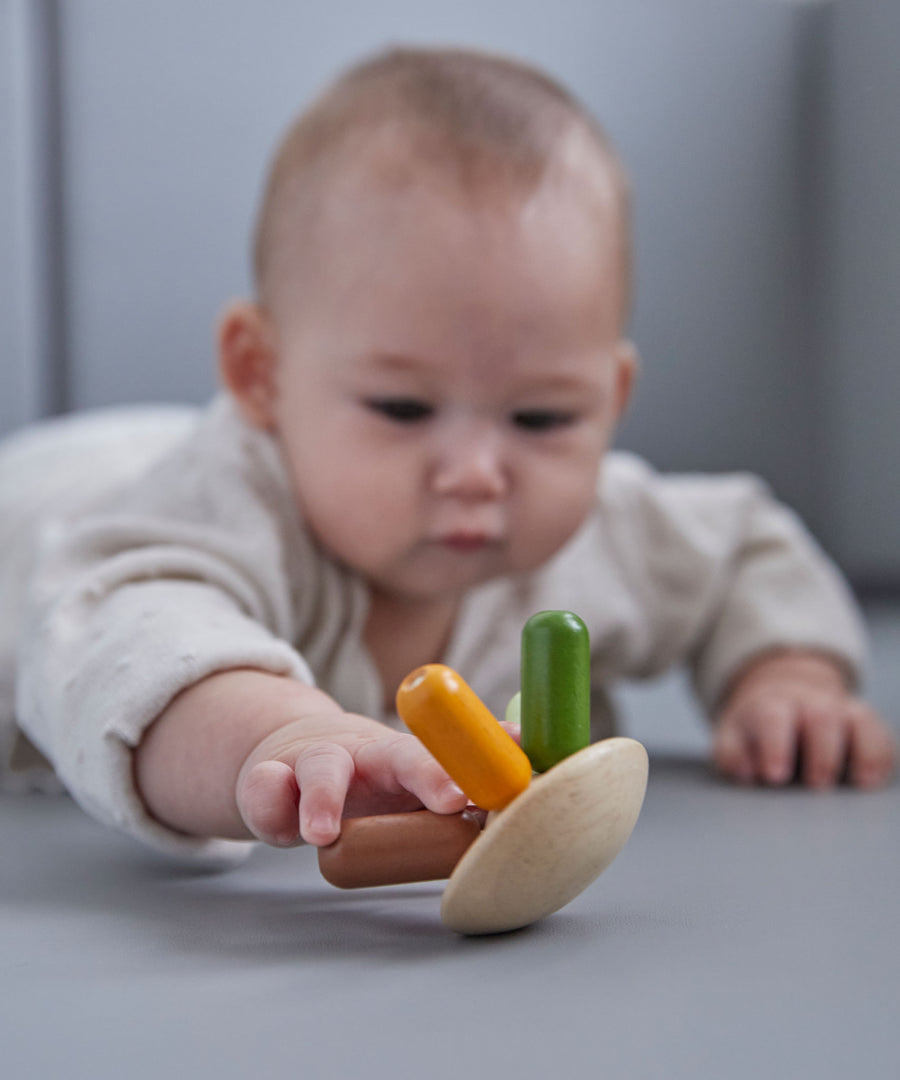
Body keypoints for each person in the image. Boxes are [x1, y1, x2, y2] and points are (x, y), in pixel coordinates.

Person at [0, 47, 895, 863]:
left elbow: (739, 546)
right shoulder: (225, 500)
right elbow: (126, 633)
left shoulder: (599, 531)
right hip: (41, 520)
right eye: (403, 406)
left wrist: (784, 674)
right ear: (260, 373)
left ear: (611, 398)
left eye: (542, 417)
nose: (476, 472)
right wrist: (276, 736)